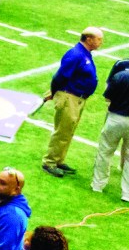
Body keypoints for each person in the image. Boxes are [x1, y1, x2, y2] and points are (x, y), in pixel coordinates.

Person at [43, 28, 105, 178]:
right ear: (89, 39)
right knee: (62, 131)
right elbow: (60, 76)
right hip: (69, 97)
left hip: (77, 98)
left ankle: (59, 160)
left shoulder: (84, 53)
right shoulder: (76, 54)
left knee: (68, 131)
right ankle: (49, 162)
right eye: (99, 39)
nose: (101, 42)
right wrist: (54, 92)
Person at [92, 57, 129, 200]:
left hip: (115, 117)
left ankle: (98, 185)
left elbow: (108, 98)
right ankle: (127, 193)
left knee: (105, 152)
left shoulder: (119, 75)